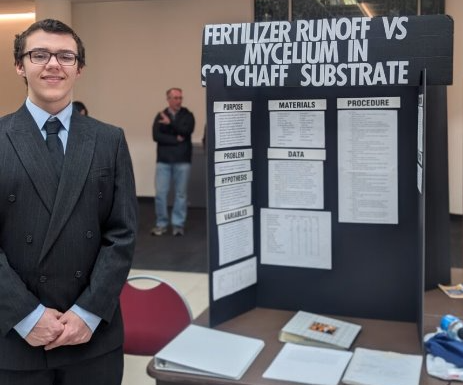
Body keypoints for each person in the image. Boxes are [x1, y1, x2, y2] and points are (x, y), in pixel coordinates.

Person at [0, 19, 138, 385]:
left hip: (93, 337)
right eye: (39, 54)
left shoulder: (109, 140)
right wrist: (26, 315)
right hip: (13, 335)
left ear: (79, 69)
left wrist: (88, 312)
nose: (53, 64)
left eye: (65, 56)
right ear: (20, 65)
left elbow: (121, 235)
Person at [151, 87, 195, 236]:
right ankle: (161, 224)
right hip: (163, 161)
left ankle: (178, 225)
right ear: (168, 99)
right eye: (175, 98)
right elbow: (156, 136)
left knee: (181, 194)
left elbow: (186, 131)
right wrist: (176, 139)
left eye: (180, 98)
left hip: (182, 161)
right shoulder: (160, 115)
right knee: (160, 194)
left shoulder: (187, 115)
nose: (178, 101)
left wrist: (170, 124)